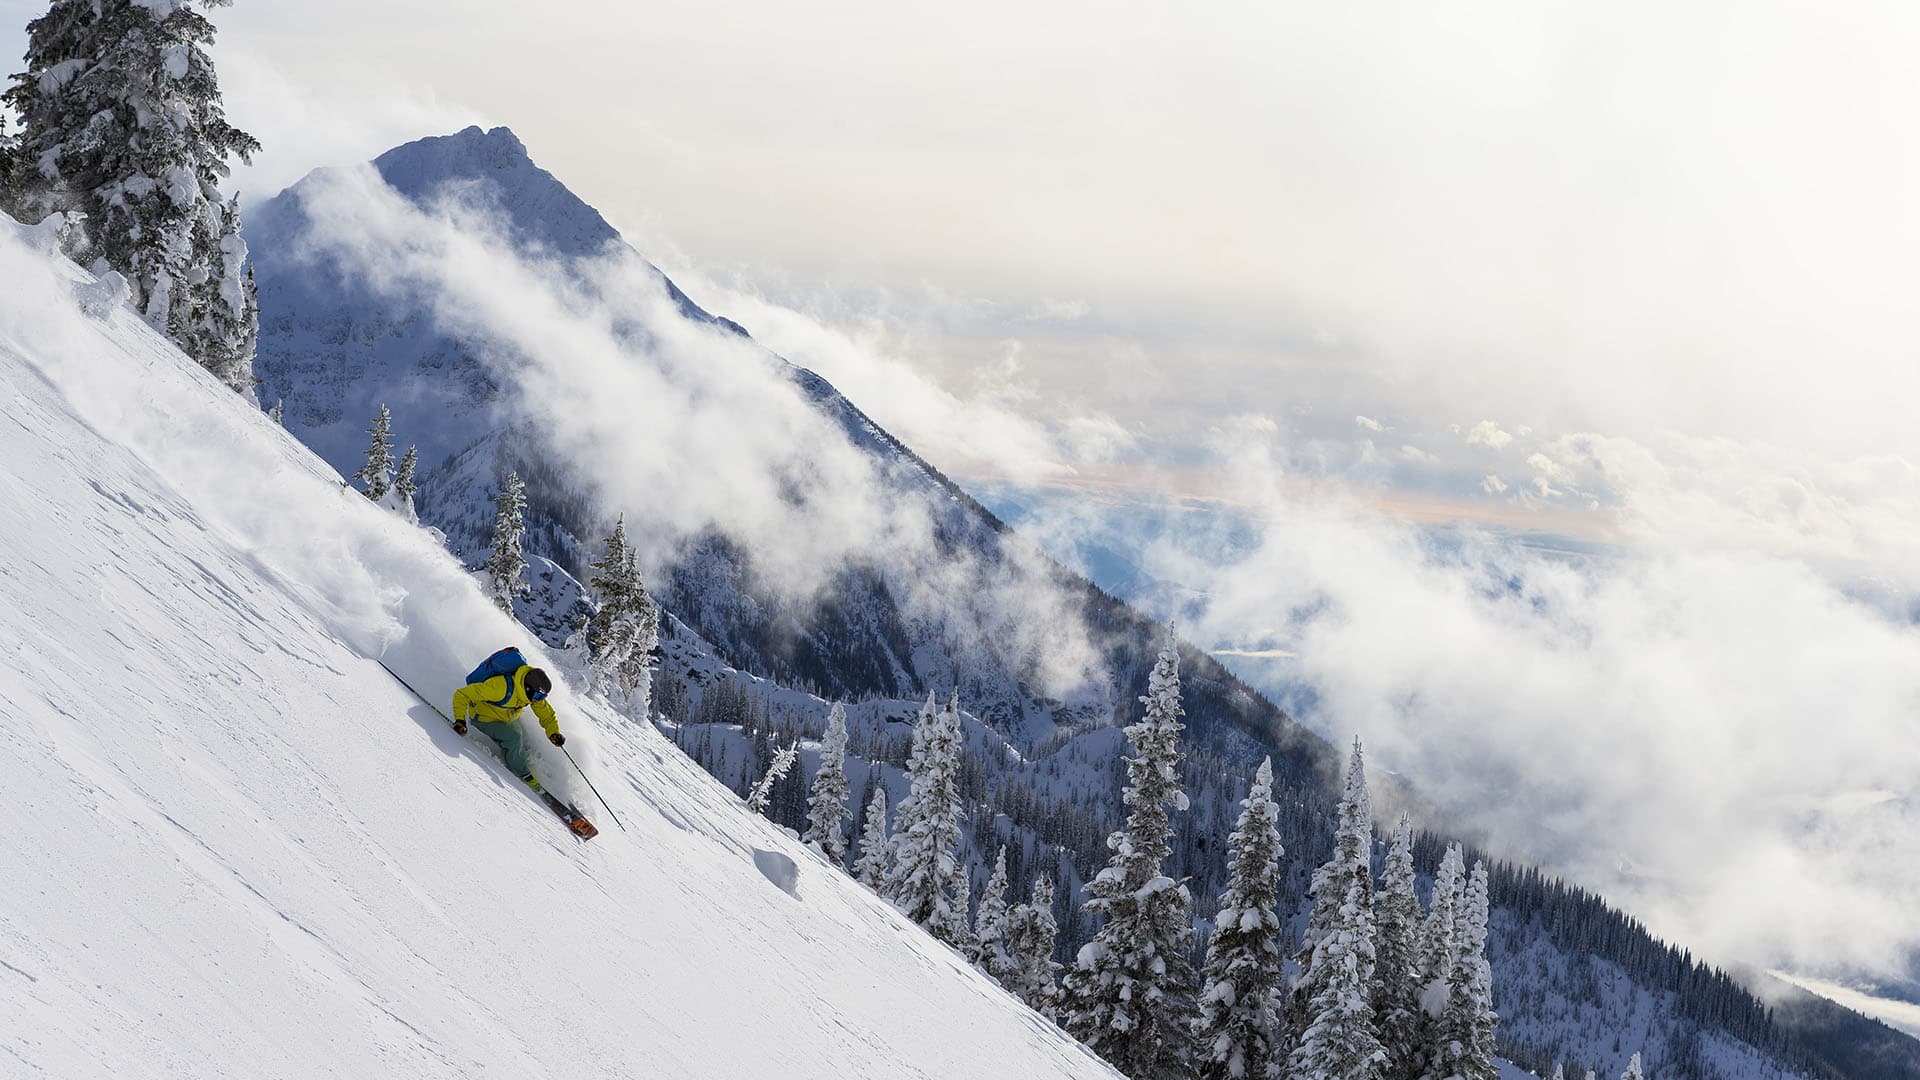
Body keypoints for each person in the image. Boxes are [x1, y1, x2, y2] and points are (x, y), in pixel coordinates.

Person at [451, 661, 566, 793]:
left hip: (506, 716)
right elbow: (462, 694)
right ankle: (522, 773)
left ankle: (522, 760)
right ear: (528, 688)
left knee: (526, 740)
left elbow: (547, 716)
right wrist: (460, 720)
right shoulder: (500, 688)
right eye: (538, 696)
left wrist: (553, 733)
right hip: (484, 718)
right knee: (514, 738)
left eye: (543, 697)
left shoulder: (531, 695)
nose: (539, 699)